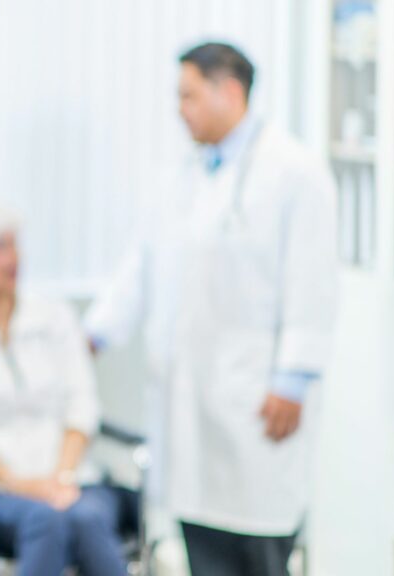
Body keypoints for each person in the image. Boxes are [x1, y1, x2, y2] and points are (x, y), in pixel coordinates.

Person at [86, 42, 337, 576]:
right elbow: (140, 267)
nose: (180, 109)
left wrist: (291, 380)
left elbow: (312, 282)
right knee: (203, 542)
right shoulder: (181, 177)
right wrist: (95, 335)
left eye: (189, 96)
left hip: (258, 401)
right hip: (192, 405)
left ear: (230, 90)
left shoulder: (294, 172)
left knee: (259, 544)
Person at [0, 205, 136, 576]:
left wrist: (60, 479)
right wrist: (26, 486)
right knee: (47, 521)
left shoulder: (55, 319)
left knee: (88, 517)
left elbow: (81, 407)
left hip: (71, 481)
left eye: (14, 245)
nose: (13, 258)